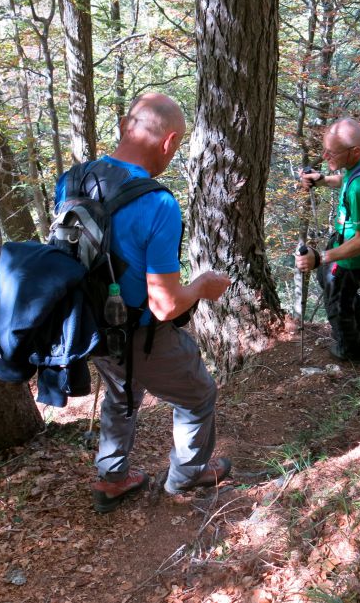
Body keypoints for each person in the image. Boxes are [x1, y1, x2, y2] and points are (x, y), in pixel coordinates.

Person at [54, 93, 233, 513]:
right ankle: (187, 476)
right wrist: (203, 286)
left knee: (122, 393)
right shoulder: (158, 203)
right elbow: (166, 305)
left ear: (122, 124)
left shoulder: (74, 180)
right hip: (141, 333)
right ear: (170, 142)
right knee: (198, 394)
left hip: (87, 326)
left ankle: (113, 478)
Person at [295, 118, 360, 363]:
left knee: (336, 297)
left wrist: (321, 257)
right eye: (324, 149)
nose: (324, 157)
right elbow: (348, 178)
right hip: (354, 243)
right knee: (335, 285)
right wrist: (322, 180)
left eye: (331, 153)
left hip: (357, 254)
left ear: (354, 150)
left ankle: (351, 350)